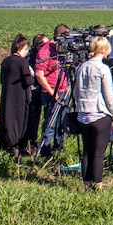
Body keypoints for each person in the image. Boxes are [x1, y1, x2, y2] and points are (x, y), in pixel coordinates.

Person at [73, 36, 113, 189]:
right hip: (99, 115)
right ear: (106, 50)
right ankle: (98, 184)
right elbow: (109, 97)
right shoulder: (103, 69)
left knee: (87, 151)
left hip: (82, 115)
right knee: (99, 153)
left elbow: (75, 93)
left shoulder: (81, 67)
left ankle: (86, 183)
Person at [36, 23, 71, 156]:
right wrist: (52, 92)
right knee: (51, 120)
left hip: (65, 90)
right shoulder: (45, 51)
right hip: (50, 91)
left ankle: (59, 144)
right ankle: (45, 147)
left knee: (63, 120)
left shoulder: (67, 51)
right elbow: (39, 74)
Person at [0, 34, 35, 161]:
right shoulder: (22, 62)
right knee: (19, 121)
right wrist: (31, 75)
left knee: (8, 118)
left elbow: (2, 80)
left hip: (7, 94)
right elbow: (28, 81)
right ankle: (17, 146)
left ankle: (7, 143)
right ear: (23, 48)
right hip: (19, 96)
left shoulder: (6, 61)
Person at [20, 34, 46, 155]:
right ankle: (28, 142)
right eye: (43, 44)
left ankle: (31, 140)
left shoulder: (34, 54)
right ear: (37, 45)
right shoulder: (34, 56)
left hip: (37, 89)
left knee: (35, 116)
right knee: (32, 116)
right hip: (34, 89)